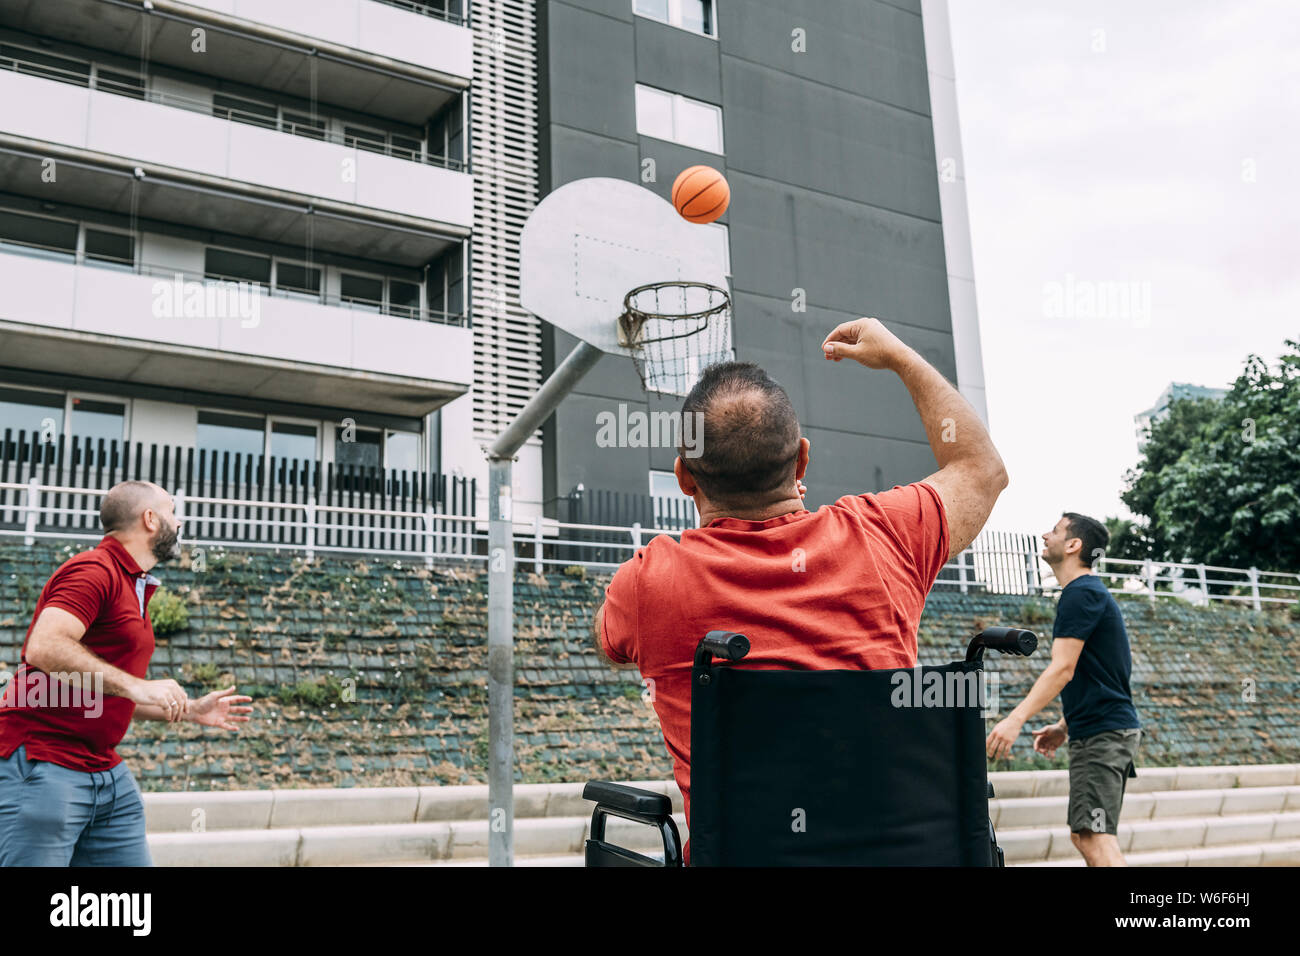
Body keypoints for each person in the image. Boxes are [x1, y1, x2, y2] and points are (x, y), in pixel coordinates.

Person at [593, 317, 1009, 864]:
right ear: (802, 459)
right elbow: (983, 469)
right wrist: (902, 357)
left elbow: (610, 646)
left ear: (685, 478)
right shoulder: (884, 535)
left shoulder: (649, 582)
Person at [0, 480, 252, 866]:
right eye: (172, 511)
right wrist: (139, 686)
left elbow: (101, 689)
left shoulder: (133, 585)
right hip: (43, 762)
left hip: (105, 771)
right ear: (150, 519)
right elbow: (45, 647)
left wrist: (189, 710)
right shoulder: (92, 570)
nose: (179, 522)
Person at [986, 513, 1141, 867]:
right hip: (1103, 730)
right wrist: (1063, 726)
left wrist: (1016, 719)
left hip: (1103, 735)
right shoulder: (1089, 594)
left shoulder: (1080, 594)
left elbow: (1063, 668)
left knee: (1094, 838)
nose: (1044, 535)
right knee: (1087, 835)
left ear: (1074, 545)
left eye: (1054, 531)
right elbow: (1104, 675)